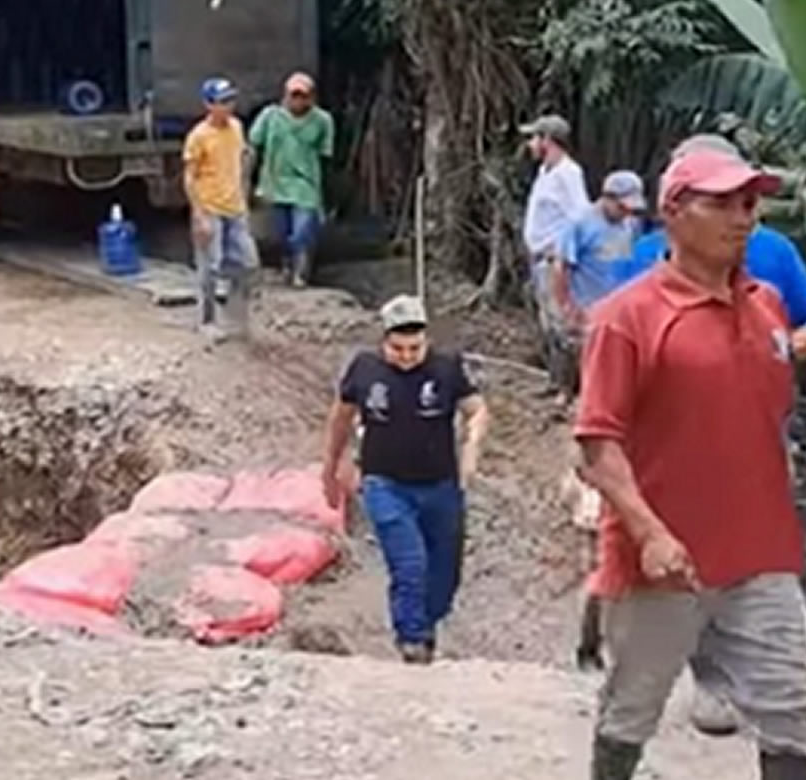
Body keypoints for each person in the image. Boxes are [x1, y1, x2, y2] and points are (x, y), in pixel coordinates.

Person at [574, 149, 806, 780]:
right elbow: (597, 443)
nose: (743, 217)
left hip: (761, 556)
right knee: (632, 711)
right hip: (664, 563)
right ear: (673, 213)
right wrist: (649, 532)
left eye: (749, 203)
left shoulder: (767, 305)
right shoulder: (627, 318)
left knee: (791, 716)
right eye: (721, 203)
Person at [321, 295, 490, 665]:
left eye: (415, 348)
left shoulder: (446, 368)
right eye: (398, 348)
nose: (407, 356)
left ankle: (426, 626)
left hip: (442, 485)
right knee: (409, 563)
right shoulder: (365, 370)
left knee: (444, 574)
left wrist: (472, 445)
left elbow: (476, 410)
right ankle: (412, 642)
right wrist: (333, 463)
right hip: (385, 483)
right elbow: (341, 417)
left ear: (426, 340)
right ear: (384, 341)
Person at [625, 134, 806, 362]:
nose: (738, 219)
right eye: (718, 202)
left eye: (743, 201)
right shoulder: (645, 253)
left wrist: (785, 348)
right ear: (674, 207)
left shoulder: (775, 252)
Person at [544, 170, 647, 393]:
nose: (625, 214)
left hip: (620, 305)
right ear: (607, 198)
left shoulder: (630, 225)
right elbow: (561, 267)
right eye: (621, 207)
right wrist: (566, 306)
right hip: (588, 304)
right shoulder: (579, 223)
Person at [519, 114, 594, 393]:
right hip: (539, 258)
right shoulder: (545, 172)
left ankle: (572, 388)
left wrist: (561, 251)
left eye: (534, 138)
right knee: (548, 322)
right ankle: (556, 381)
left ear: (547, 141)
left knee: (563, 324)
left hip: (553, 260)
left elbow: (580, 216)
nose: (530, 144)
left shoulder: (568, 174)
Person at [184, 76, 255, 341]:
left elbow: (242, 160)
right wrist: (198, 214)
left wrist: (244, 196)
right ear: (208, 105)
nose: (228, 107)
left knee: (248, 262)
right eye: (222, 102)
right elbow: (189, 176)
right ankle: (207, 320)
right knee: (209, 267)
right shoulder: (198, 137)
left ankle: (235, 313)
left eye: (231, 101)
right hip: (210, 208)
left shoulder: (236, 127)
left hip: (235, 208)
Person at [248, 71, 334, 287]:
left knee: (302, 232)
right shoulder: (270, 117)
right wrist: (247, 181)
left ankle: (301, 272)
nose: (297, 101)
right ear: (285, 96)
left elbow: (326, 157)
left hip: (306, 185)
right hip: (275, 183)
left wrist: (326, 192)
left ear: (311, 98)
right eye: (293, 95)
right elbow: (253, 147)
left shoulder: (322, 121)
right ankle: (287, 266)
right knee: (281, 234)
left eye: (302, 96)